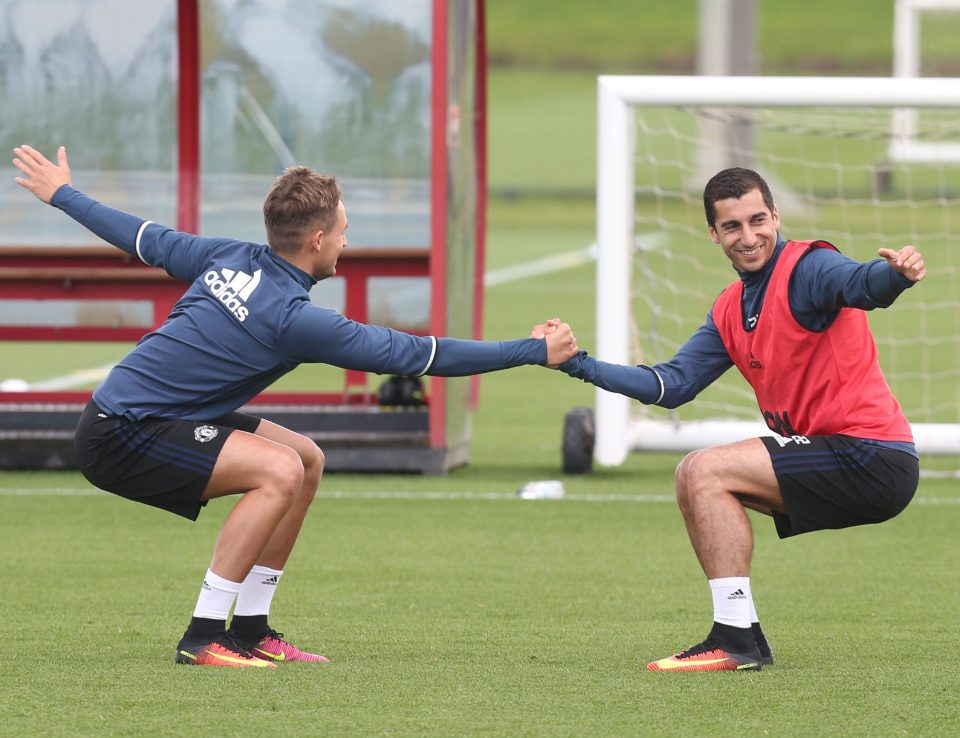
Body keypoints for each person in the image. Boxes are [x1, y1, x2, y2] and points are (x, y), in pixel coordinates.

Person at [13, 144, 578, 669]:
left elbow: (142, 236)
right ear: (316, 239)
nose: (345, 243)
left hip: (159, 416)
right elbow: (419, 354)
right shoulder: (295, 318)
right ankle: (204, 634)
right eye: (342, 232)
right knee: (277, 470)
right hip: (121, 432)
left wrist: (63, 192)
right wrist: (533, 351)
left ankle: (252, 628)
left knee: (303, 457)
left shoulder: (228, 255)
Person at [537, 167, 925, 672]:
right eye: (733, 227)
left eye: (758, 220)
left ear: (776, 217)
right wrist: (576, 364)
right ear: (714, 234)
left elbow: (859, 282)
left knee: (704, 470)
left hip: (873, 456)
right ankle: (741, 638)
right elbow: (669, 386)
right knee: (696, 481)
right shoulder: (729, 309)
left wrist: (893, 276)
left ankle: (735, 638)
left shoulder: (810, 267)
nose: (749, 236)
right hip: (839, 454)